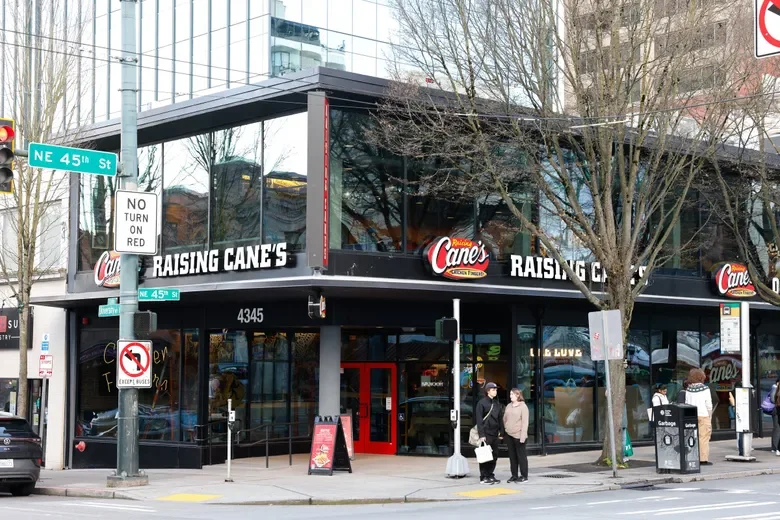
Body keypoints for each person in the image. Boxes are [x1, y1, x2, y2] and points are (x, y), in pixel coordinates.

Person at [476, 382, 504, 485]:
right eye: (493, 390)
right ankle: (483, 476)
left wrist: (502, 432)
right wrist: (481, 435)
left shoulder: (497, 403)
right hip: (486, 433)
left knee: (494, 455)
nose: (495, 391)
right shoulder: (481, 403)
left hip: (495, 433)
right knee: (485, 456)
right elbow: (479, 420)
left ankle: (490, 474)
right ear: (488, 391)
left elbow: (500, 418)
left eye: (496, 390)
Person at [685, 368, 713, 465]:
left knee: (692, 437)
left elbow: (686, 403)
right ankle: (703, 459)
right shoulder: (705, 389)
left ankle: (692, 457)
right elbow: (709, 405)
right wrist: (710, 417)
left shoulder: (688, 389)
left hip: (692, 415)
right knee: (703, 437)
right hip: (703, 415)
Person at [503, 388, 529, 483]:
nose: (510, 396)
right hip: (509, 434)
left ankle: (524, 476)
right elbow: (504, 418)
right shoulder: (509, 406)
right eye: (510, 394)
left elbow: (525, 422)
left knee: (521, 457)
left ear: (518, 395)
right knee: (512, 456)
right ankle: (514, 475)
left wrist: (523, 436)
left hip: (519, 435)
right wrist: (505, 428)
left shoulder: (523, 407)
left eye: (512, 394)